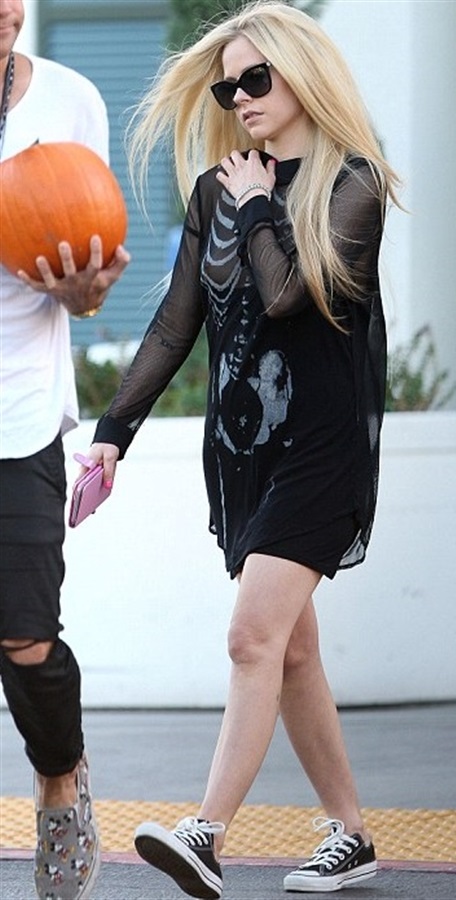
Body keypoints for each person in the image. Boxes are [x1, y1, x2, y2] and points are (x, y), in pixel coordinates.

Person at [86, 1, 401, 896]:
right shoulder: (214, 191)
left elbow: (289, 295)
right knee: (291, 652)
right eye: (229, 87)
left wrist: (260, 204)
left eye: (255, 78)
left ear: (302, 73)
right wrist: (112, 436)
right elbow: (175, 322)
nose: (240, 98)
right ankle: (352, 834)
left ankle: (206, 831)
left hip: (323, 446)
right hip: (245, 452)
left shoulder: (353, 181)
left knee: (251, 636)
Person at [0, 2, 130, 899]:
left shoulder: (72, 100)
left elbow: (90, 274)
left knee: (24, 635)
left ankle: (59, 780)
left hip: (19, 410)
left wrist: (85, 292)